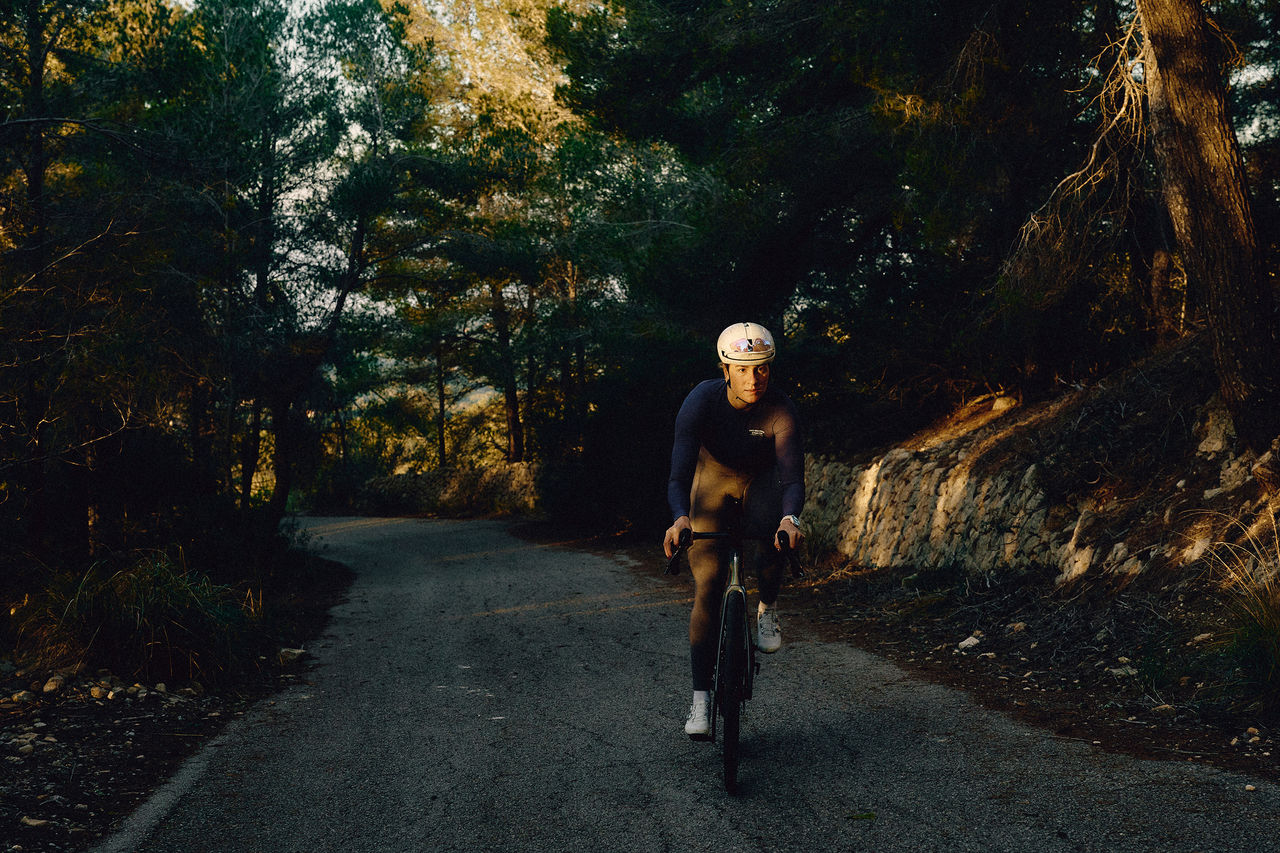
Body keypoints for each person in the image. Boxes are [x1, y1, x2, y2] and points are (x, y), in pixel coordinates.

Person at [663, 321, 805, 738]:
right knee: (708, 584)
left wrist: (790, 519)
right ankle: (700, 701)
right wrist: (680, 517)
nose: (753, 378)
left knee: (775, 541)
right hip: (712, 483)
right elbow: (678, 475)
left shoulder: (781, 409)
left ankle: (767, 608)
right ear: (725, 369)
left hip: (762, 483)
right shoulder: (700, 401)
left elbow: (792, 479)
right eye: (742, 369)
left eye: (761, 368)